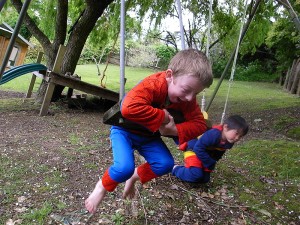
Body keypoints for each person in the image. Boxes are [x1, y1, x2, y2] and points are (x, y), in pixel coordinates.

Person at [85, 49, 213, 214]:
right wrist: (163, 117)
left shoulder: (187, 99)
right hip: (124, 131)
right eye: (187, 90)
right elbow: (128, 107)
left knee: (165, 164)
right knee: (124, 168)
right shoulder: (153, 84)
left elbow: (200, 124)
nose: (190, 98)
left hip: (148, 136)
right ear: (169, 75)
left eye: (195, 93)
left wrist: (175, 129)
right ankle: (101, 186)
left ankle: (135, 177)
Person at [172, 115, 249, 183]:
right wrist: (209, 162)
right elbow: (198, 148)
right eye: (236, 133)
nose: (237, 138)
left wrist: (214, 161)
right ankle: (175, 169)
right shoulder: (213, 134)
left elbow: (220, 152)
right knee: (196, 175)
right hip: (193, 149)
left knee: (205, 179)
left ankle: (190, 171)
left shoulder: (229, 142)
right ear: (225, 127)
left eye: (240, 136)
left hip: (205, 153)